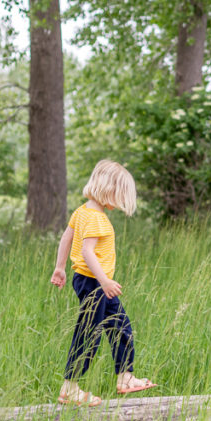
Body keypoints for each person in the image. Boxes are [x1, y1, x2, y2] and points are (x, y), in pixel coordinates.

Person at [50, 159, 156, 406]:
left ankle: (125, 377)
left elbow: (67, 237)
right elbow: (87, 253)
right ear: (109, 191)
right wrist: (105, 281)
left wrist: (60, 267)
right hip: (95, 284)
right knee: (89, 334)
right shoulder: (96, 219)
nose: (118, 205)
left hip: (89, 281)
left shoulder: (81, 212)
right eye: (119, 198)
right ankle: (69, 388)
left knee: (121, 326)